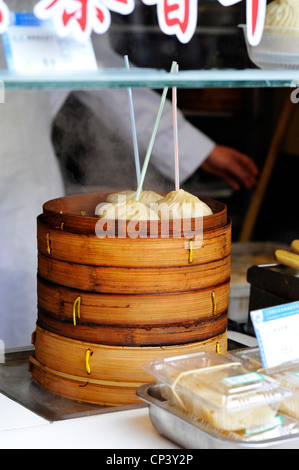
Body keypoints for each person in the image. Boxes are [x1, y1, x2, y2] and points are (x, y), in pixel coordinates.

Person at [0, 36, 258, 349]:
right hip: (26, 184)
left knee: (17, 319)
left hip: (19, 189)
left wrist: (194, 148)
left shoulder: (49, 10)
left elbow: (109, 75)